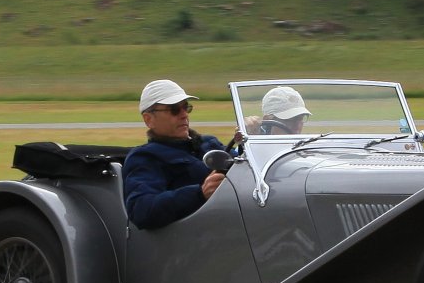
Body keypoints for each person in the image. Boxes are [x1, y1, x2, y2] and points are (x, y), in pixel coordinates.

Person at [122, 79, 229, 230]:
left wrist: (258, 132)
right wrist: (199, 193)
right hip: (197, 234)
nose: (184, 115)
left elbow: (243, 163)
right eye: (174, 110)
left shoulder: (209, 143)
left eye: (186, 108)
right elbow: (141, 210)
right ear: (149, 119)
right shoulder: (145, 157)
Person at [248, 85, 313, 136]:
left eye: (300, 119)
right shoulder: (255, 145)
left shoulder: (305, 145)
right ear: (267, 120)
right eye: (289, 120)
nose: (297, 126)